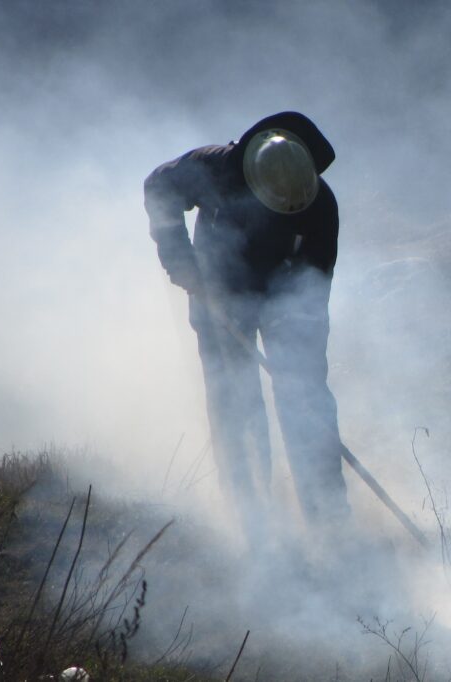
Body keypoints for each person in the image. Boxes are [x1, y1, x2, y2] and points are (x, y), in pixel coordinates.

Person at [143, 112, 351, 529]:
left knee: (307, 398)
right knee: (235, 398)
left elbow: (313, 289)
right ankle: (251, 512)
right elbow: (158, 188)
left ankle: (328, 517)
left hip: (283, 297)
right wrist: (181, 261)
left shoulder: (320, 208)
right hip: (217, 292)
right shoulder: (216, 168)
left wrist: (301, 361)